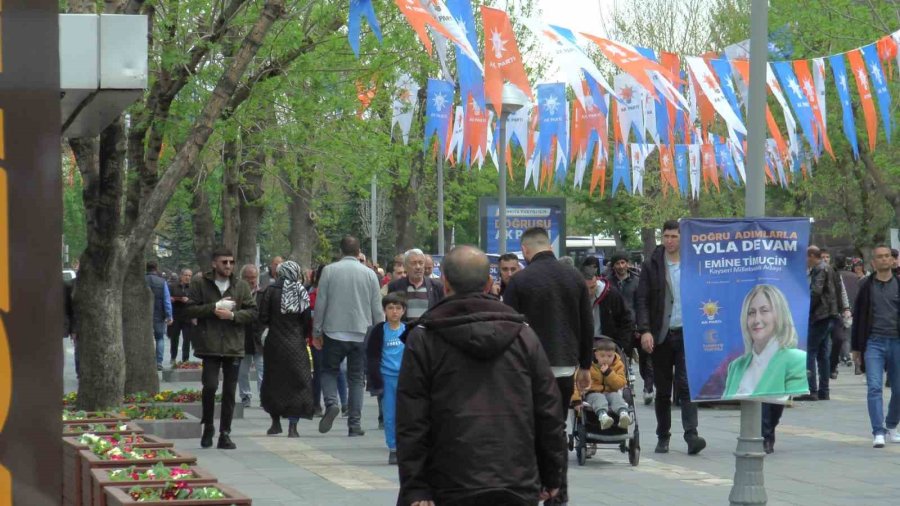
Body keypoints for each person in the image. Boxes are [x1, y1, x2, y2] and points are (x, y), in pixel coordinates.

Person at [397, 245, 566, 506]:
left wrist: (416, 487)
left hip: (448, 481)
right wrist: (553, 475)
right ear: (489, 283)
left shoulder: (425, 338)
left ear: (445, 283)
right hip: (516, 479)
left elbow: (412, 418)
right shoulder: (524, 335)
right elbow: (548, 410)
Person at [503, 227, 592, 505]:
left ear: (526, 251)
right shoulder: (575, 277)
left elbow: (508, 327)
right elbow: (587, 324)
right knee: (556, 429)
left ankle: (532, 487)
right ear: (549, 246)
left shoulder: (519, 281)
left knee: (528, 429)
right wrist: (586, 366)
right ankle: (558, 492)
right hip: (565, 366)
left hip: (528, 368)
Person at [636, 220, 706, 455]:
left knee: (687, 386)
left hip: (687, 334)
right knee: (663, 390)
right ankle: (662, 436)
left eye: (674, 236)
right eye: (666, 236)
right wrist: (645, 330)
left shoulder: (693, 263)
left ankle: (691, 435)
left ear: (682, 238)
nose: (669, 240)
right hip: (661, 335)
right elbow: (642, 300)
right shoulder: (652, 264)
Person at [184, 247, 258, 450]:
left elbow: (252, 312)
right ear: (214, 264)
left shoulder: (240, 285)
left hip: (233, 345)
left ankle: (225, 433)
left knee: (229, 390)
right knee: (210, 386)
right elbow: (188, 309)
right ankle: (208, 425)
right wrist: (213, 307)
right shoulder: (201, 283)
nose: (228, 266)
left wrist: (233, 316)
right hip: (210, 345)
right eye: (224, 262)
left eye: (231, 262)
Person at [312, 236, 384, 437]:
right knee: (356, 378)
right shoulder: (370, 274)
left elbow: (321, 303)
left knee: (328, 371)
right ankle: (354, 424)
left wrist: (317, 331)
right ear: (358, 251)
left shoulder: (329, 271)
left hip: (334, 331)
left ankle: (331, 403)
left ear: (340, 251)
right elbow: (377, 308)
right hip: (361, 332)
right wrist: (379, 333)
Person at [851, 245, 900, 448]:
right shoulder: (866, 286)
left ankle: (891, 425)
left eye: (887, 256)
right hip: (873, 343)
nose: (883, 260)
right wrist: (856, 348)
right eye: (879, 257)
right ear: (873, 262)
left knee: (898, 389)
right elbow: (859, 317)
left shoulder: (898, 284)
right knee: (874, 387)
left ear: (893, 260)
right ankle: (878, 431)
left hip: (897, 341)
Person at [260, 261, 315, 438]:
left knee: (273, 381)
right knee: (298, 383)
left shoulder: (270, 291)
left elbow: (263, 317)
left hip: (274, 344)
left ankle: (275, 423)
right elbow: (307, 320)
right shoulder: (301, 291)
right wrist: (303, 334)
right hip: (296, 344)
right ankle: (293, 427)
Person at [723, 285, 807, 399]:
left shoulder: (798, 360)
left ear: (779, 315)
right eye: (751, 312)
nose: (757, 320)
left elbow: (792, 411)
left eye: (764, 311)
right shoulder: (735, 366)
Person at [605, 251, 653, 404]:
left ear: (628, 264)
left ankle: (648, 387)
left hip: (636, 325)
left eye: (623, 262)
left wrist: (643, 326)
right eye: (618, 263)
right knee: (622, 359)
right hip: (619, 328)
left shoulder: (637, 281)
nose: (621, 266)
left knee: (646, 359)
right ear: (613, 266)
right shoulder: (608, 282)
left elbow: (642, 304)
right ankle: (624, 388)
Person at [365, 293, 407, 465]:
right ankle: (393, 448)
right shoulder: (379, 331)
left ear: (403, 310)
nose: (394, 312)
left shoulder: (408, 330)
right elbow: (372, 356)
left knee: (406, 416)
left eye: (398, 308)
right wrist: (376, 380)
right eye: (390, 308)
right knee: (389, 415)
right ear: (384, 310)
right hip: (387, 379)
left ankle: (407, 447)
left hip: (406, 380)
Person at [798, 246, 838, 401]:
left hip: (819, 315)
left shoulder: (819, 269)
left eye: (806, 257)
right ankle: (824, 390)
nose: (805, 261)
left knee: (810, 352)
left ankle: (811, 389)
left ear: (812, 256)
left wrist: (807, 308)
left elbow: (816, 292)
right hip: (829, 315)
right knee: (823, 354)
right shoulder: (830, 268)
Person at [308, 264, 348, 418]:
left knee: (335, 371)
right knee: (322, 372)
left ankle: (342, 404)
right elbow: (311, 316)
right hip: (321, 338)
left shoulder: (337, 294)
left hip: (332, 337)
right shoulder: (313, 295)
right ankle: (318, 404)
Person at [571, 338, 631, 430]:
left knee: (616, 397)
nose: (606, 359)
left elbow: (620, 383)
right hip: (592, 392)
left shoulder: (618, 365)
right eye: (602, 356)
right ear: (596, 355)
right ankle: (603, 416)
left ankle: (623, 414)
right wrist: (576, 400)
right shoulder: (588, 366)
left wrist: (609, 373)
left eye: (609, 356)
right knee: (599, 398)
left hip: (611, 391)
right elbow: (576, 382)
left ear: (614, 354)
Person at [581, 263, 633, 351]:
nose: (589, 292)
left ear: (597, 280)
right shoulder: (574, 296)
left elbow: (626, 320)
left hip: (608, 346)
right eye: (585, 289)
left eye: (592, 287)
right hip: (584, 345)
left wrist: (621, 345)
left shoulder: (611, 294)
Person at [386, 248, 444, 320]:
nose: (418, 267)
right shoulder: (395, 287)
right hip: (405, 330)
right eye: (413, 263)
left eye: (421, 263)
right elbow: (390, 315)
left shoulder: (436, 286)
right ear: (406, 266)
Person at [238, 265, 265, 408]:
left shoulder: (264, 293)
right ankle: (245, 396)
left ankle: (263, 397)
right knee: (243, 371)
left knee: (262, 370)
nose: (250, 281)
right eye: (247, 278)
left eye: (253, 277)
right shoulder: (238, 293)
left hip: (259, 338)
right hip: (243, 337)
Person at [832, 254, 860, 379]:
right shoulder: (854, 277)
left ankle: (839, 358)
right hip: (851, 309)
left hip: (838, 309)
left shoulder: (834, 275)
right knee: (847, 335)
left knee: (836, 336)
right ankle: (847, 357)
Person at [146, 261, 173, 371]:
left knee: (145, 338)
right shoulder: (162, 282)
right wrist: (169, 315)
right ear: (156, 268)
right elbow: (167, 300)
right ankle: (159, 362)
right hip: (158, 314)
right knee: (159, 338)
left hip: (144, 314)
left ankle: (146, 361)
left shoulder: (140, 280)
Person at [167, 268, 196, 364]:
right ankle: (173, 357)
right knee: (174, 338)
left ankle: (185, 359)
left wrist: (188, 300)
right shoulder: (173, 286)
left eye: (189, 276)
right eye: (186, 275)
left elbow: (196, 301)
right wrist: (171, 299)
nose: (187, 277)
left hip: (187, 316)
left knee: (187, 339)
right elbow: (166, 298)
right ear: (181, 276)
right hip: (175, 315)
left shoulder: (193, 288)